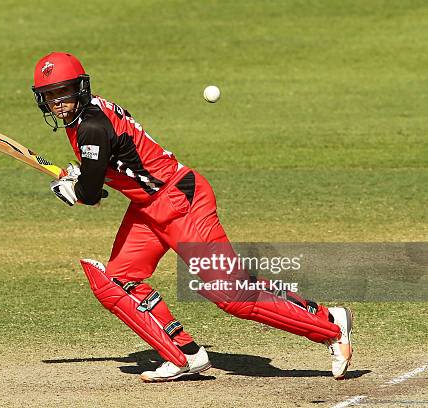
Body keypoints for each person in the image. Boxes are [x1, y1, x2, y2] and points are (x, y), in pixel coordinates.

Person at [31, 52, 353, 382]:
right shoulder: (90, 116)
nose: (59, 102)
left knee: (232, 297)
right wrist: (83, 179)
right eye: (51, 95)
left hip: (181, 202)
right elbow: (108, 173)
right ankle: (184, 355)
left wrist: (75, 188)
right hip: (149, 207)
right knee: (117, 281)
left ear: (80, 88)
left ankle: (329, 322)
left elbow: (90, 194)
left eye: (64, 92)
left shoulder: (91, 127)